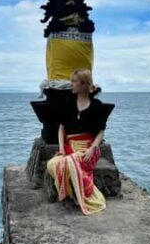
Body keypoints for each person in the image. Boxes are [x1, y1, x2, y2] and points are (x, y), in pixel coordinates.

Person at [46, 69, 107, 215]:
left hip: (88, 149)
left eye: (74, 81)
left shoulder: (97, 105)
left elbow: (101, 131)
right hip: (69, 147)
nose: (71, 84)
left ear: (84, 84)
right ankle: (73, 193)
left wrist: (92, 148)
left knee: (69, 162)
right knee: (52, 163)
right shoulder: (68, 103)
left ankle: (81, 194)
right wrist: (61, 149)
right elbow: (61, 128)